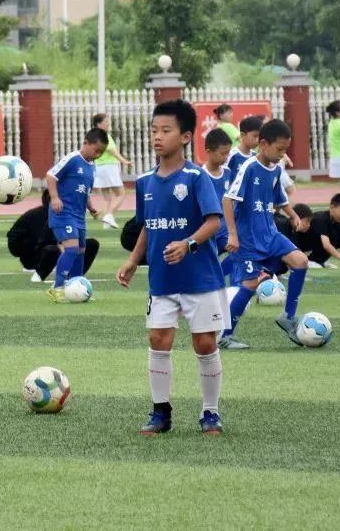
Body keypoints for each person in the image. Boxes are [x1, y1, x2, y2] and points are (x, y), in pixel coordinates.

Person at [116, 98, 227, 437]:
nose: (157, 137)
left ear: (185, 136)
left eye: (166, 130)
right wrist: (133, 260)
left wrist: (188, 244)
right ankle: (160, 412)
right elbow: (148, 226)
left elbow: (214, 222)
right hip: (162, 278)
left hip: (200, 277)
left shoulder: (196, 178)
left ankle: (210, 412)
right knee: (158, 338)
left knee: (204, 344)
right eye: (154, 130)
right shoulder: (145, 182)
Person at [219, 119, 311, 349]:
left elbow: (280, 199)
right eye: (279, 149)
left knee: (300, 261)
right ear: (263, 144)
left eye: (285, 150)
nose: (282, 154)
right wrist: (232, 234)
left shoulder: (276, 170)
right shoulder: (249, 167)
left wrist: (293, 215)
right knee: (250, 285)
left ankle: (288, 316)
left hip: (270, 234)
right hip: (248, 239)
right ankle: (224, 336)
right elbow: (227, 200)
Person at [45, 128, 107, 302]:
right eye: (96, 150)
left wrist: (91, 207)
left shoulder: (92, 167)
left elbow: (85, 191)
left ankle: (76, 287)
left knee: (80, 251)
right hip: (63, 212)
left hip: (79, 216)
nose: (98, 155)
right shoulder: (73, 159)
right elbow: (51, 175)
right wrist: (55, 197)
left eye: (101, 153)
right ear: (86, 143)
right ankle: (56, 288)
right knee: (71, 249)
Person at [7, 190, 100, 283]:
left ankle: (74, 276)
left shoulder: (67, 215)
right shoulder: (37, 215)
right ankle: (39, 275)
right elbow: (14, 239)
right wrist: (26, 253)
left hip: (53, 252)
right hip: (34, 256)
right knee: (53, 249)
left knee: (92, 244)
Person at [201, 128, 233, 284]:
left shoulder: (228, 173)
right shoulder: (199, 175)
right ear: (209, 151)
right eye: (222, 154)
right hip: (205, 234)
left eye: (228, 153)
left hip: (225, 233)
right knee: (202, 269)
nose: (226, 158)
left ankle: (225, 281)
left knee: (240, 252)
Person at [91, 113, 132, 230]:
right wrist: (124, 161)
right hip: (109, 168)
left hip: (99, 168)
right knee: (121, 194)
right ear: (99, 124)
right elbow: (112, 151)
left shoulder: (93, 136)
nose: (108, 123)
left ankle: (106, 223)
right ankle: (109, 215)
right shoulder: (104, 136)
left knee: (107, 197)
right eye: (106, 121)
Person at [303, 194, 340, 268]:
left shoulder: (337, 225)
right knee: (327, 239)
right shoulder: (320, 218)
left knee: (339, 236)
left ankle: (319, 261)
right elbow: (326, 245)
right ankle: (309, 260)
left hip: (314, 254)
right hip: (301, 252)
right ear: (332, 207)